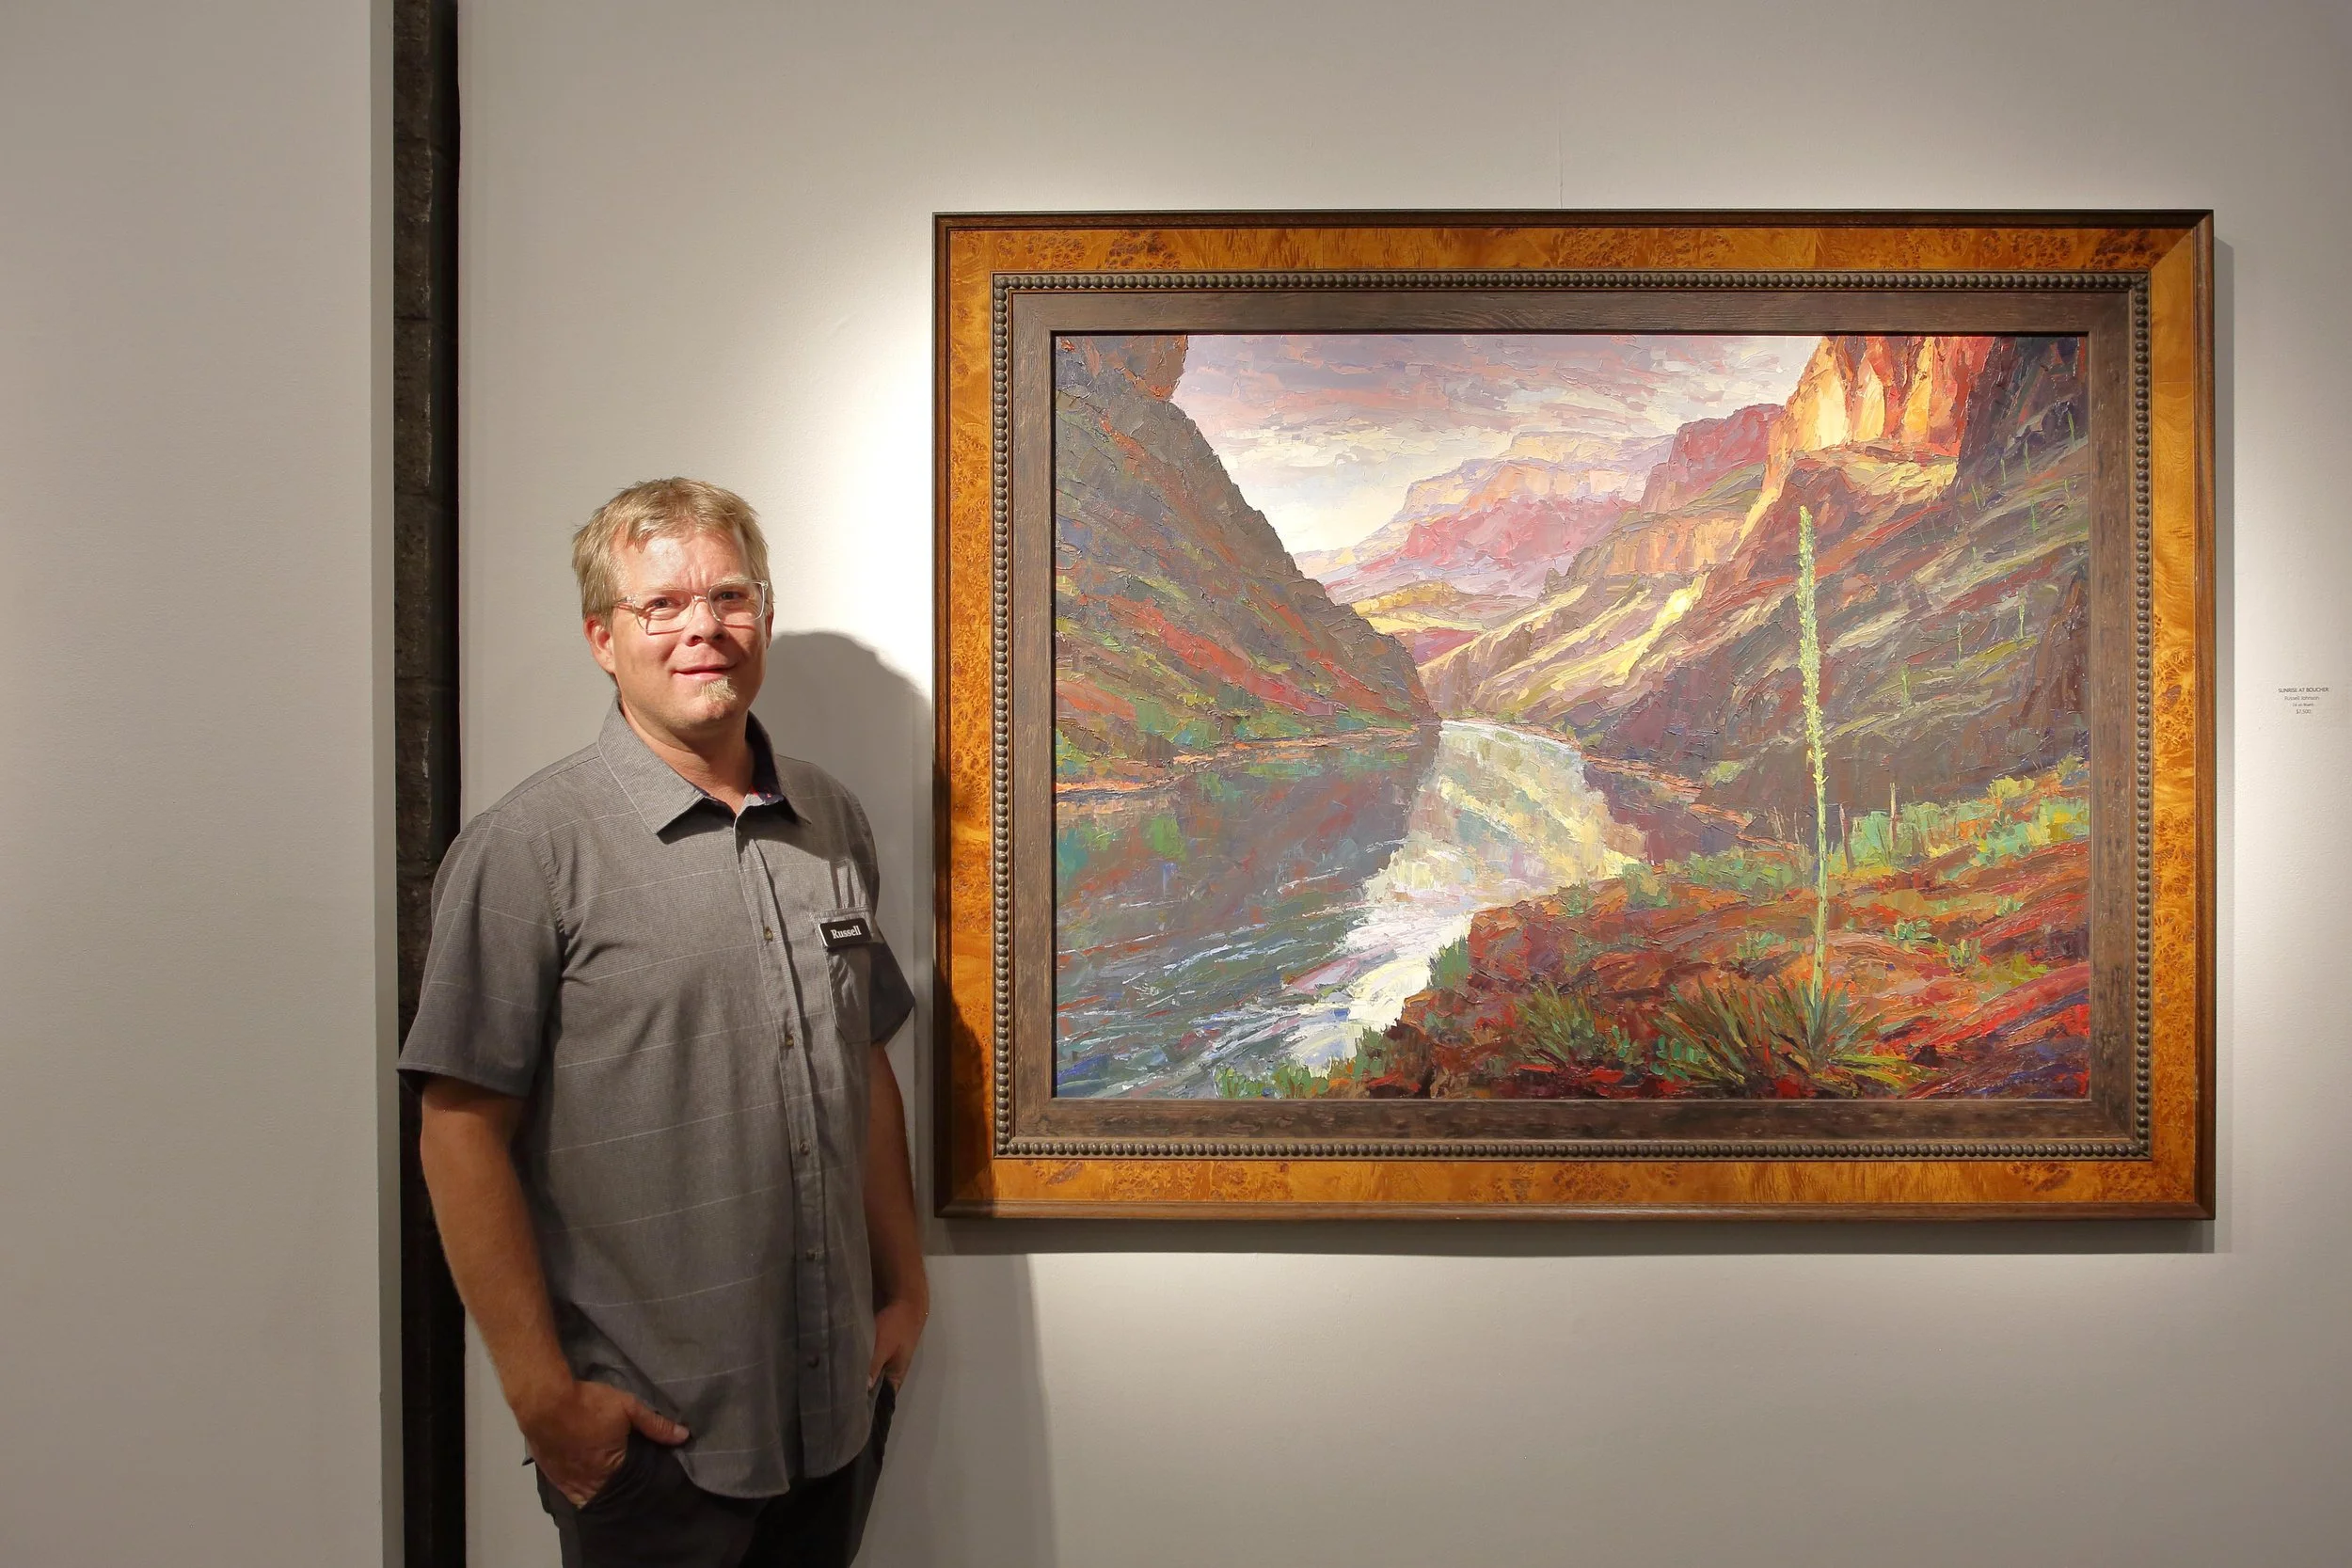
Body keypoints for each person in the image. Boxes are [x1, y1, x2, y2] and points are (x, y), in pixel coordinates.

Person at [401, 478, 925, 1568]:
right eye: (662, 606)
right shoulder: (526, 850)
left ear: (766, 617)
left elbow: (860, 1058)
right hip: (654, 1447)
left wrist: (906, 1285)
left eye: (730, 596)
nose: (704, 629)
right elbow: (458, 1131)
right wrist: (544, 1397)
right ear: (603, 636)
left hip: (833, 1415)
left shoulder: (830, 819)